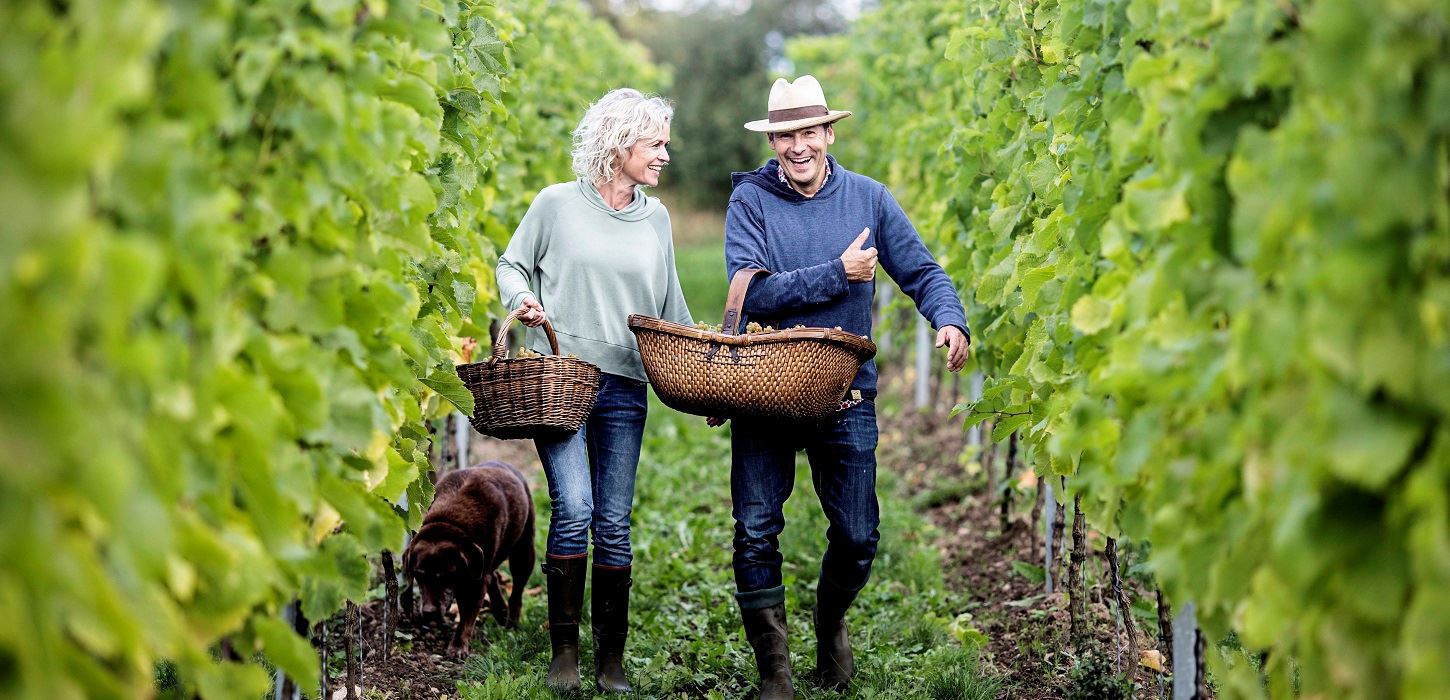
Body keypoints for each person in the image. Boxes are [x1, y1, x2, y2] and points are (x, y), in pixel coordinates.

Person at [722, 75, 971, 699]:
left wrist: (949, 318)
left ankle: (829, 622)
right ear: (773, 140)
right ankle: (775, 673)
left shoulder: (868, 198)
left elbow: (922, 269)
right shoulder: (750, 202)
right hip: (764, 386)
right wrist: (837, 273)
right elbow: (751, 291)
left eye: (808, 132)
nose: (797, 145)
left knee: (859, 534)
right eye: (785, 135)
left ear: (829, 134)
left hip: (846, 390)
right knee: (755, 528)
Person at [495, 87, 691, 694]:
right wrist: (520, 299)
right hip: (561, 383)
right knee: (574, 509)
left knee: (613, 521)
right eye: (654, 143)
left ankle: (610, 660)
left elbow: (670, 307)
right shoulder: (556, 205)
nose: (664, 155)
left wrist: (707, 371)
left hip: (627, 387)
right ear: (619, 143)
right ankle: (564, 654)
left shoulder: (655, 217)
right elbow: (511, 264)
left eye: (664, 143)